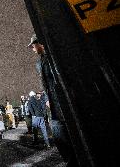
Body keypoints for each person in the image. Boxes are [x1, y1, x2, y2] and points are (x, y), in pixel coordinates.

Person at [28, 34, 79, 166]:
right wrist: (46, 98)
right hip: (53, 100)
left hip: (59, 99)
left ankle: (73, 160)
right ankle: (71, 159)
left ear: (40, 44)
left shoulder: (52, 57)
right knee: (59, 132)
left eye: (33, 46)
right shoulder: (41, 61)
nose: (33, 49)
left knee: (62, 130)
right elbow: (45, 83)